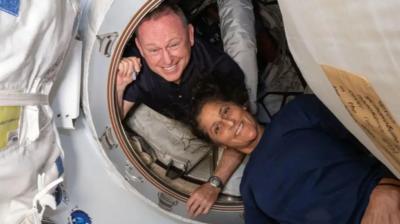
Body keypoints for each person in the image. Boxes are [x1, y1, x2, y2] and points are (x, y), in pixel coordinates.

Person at [188, 78, 400, 223]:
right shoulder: (249, 189)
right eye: (218, 128)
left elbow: (374, 135)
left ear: (241, 105)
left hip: (378, 203)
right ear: (221, 145)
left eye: (225, 111)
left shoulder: (298, 113)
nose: (229, 122)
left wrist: (386, 188)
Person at [116, 2, 248, 217]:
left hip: (207, 135)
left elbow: (243, 134)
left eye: (174, 44)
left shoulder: (222, 70)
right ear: (140, 48)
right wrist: (120, 84)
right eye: (154, 50)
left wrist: (214, 184)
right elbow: (112, 121)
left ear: (190, 35)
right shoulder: (136, 68)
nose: (167, 60)